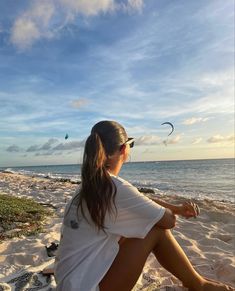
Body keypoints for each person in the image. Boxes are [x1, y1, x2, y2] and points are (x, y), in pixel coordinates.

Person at [54, 120, 234, 291]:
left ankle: (197, 283)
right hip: (88, 287)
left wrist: (176, 208)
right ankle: (199, 285)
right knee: (155, 229)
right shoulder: (114, 188)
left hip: (70, 283)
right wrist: (173, 212)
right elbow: (168, 221)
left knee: (141, 225)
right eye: (130, 145)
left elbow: (137, 202)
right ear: (124, 149)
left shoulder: (90, 185)